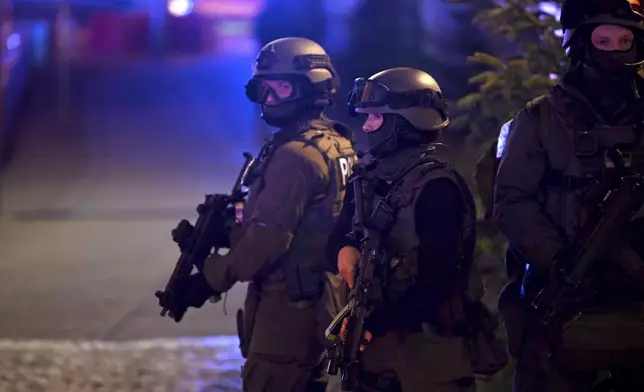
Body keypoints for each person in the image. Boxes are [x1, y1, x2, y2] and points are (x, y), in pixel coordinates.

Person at [170, 37, 357, 392]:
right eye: (265, 90)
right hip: (319, 302)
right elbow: (306, 223)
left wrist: (208, 279)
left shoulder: (296, 156)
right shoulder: (337, 143)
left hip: (286, 313)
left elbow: (266, 243)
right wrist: (227, 231)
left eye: (281, 89)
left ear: (312, 88)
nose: (269, 100)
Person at [494, 0, 644, 390]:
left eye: (625, 40)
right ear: (580, 44)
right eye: (604, 40)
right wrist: (556, 257)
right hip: (563, 295)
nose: (615, 51)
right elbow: (512, 200)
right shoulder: (541, 118)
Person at [326, 67, 484, 392]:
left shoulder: (437, 188)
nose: (366, 126)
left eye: (375, 118)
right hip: (374, 358)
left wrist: (377, 323)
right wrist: (345, 250)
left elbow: (436, 282)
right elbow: (337, 239)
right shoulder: (369, 177)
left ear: (404, 123)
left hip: (428, 360)